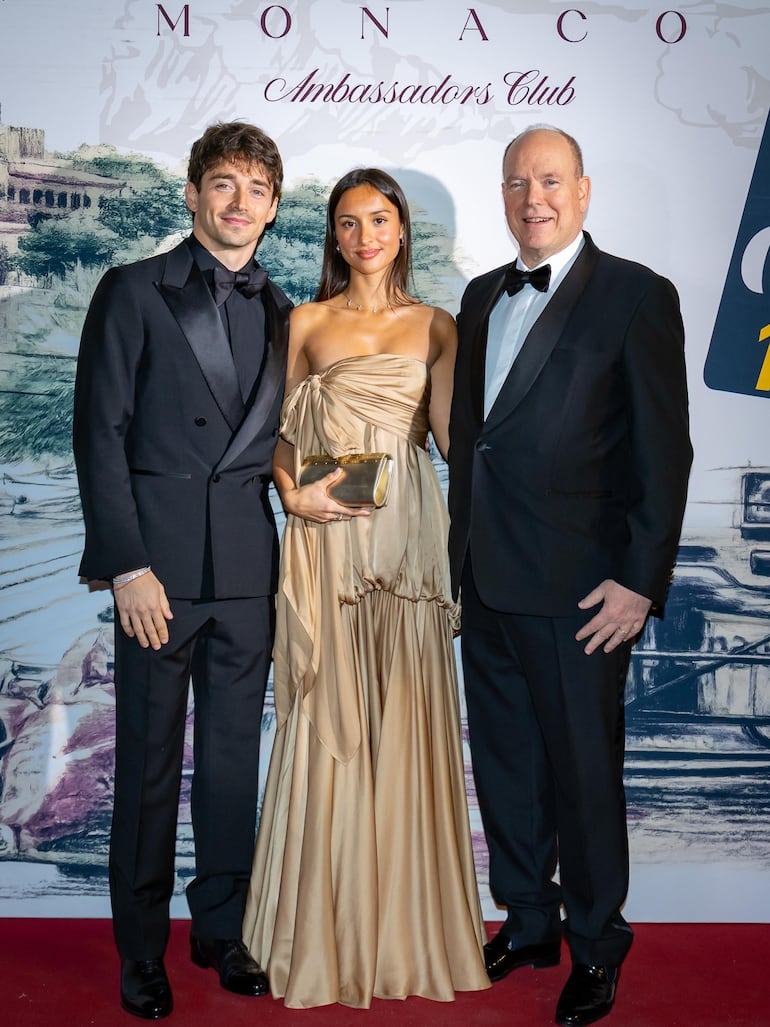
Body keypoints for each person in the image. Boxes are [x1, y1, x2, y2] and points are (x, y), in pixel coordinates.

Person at [447, 126, 692, 1027]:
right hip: (487, 583)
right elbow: (478, 440)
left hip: (586, 593)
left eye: (550, 181)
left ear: (583, 191)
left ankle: (596, 945)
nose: (532, 198)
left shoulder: (636, 295)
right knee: (507, 768)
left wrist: (640, 580)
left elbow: (665, 455)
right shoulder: (479, 297)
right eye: (517, 183)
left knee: (585, 778)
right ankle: (530, 919)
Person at [242, 168, 489, 1008]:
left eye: (377, 220)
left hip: (409, 548)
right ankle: (322, 932)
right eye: (347, 224)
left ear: (401, 228)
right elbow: (275, 437)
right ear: (332, 237)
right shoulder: (304, 321)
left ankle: (407, 933)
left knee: (406, 721)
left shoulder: (439, 327)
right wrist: (290, 490)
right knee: (331, 722)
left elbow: (456, 444)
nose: (363, 237)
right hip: (329, 539)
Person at [73, 121, 291, 1020]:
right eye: (226, 185)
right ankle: (139, 950)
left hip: (247, 571)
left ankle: (221, 928)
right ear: (194, 194)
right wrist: (126, 564)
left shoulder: (287, 312)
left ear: (274, 211)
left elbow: (293, 446)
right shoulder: (133, 290)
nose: (240, 204)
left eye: (258, 191)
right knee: (150, 768)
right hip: (156, 575)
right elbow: (100, 435)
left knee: (235, 764)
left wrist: (367, 494)